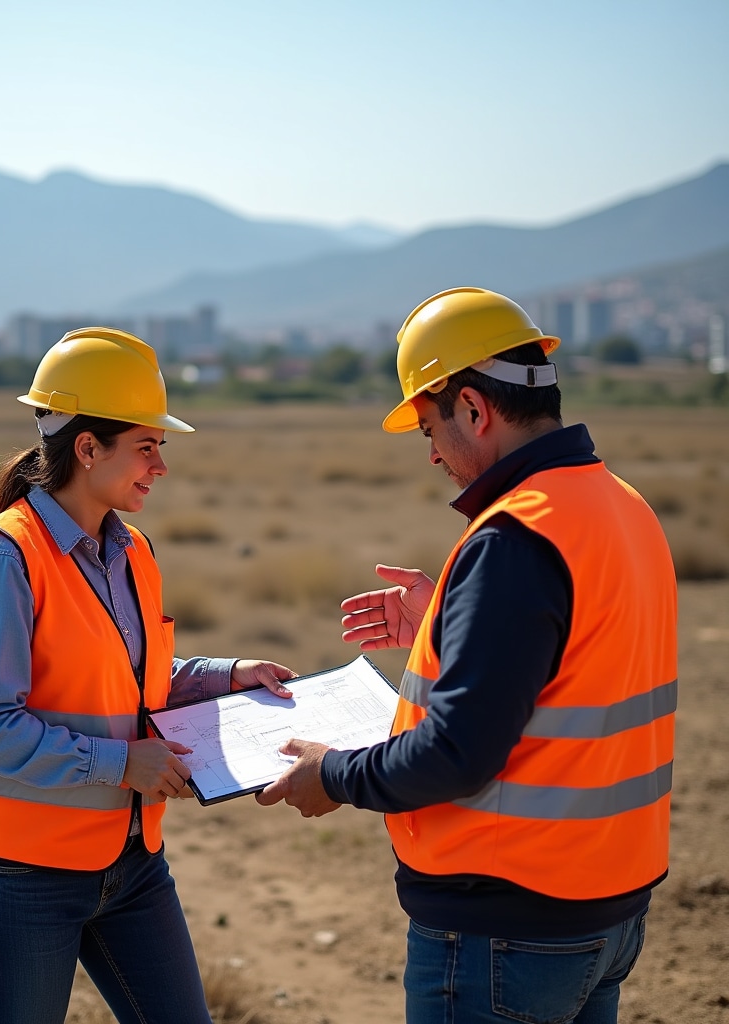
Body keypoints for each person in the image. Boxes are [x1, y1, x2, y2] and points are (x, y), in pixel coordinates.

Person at [257, 287, 677, 1023]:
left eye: (428, 427)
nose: (431, 455)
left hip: (506, 930)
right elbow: (578, 662)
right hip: (606, 914)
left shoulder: (515, 539)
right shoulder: (623, 507)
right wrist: (450, 625)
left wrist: (333, 775)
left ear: (475, 410)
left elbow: (456, 753)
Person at [0, 327, 295, 1024]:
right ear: (88, 448)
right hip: (19, 873)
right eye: (147, 445)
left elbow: (128, 677)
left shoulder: (131, 551)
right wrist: (120, 762)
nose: (161, 466)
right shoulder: (3, 561)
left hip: (128, 864)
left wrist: (229, 675)